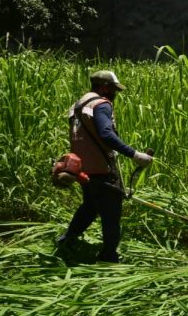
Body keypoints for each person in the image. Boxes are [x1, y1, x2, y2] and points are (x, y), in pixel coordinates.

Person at [56, 70, 153, 263]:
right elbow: (106, 134)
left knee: (90, 207)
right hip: (102, 170)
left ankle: (66, 240)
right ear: (104, 87)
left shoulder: (78, 105)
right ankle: (109, 257)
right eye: (113, 89)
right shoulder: (101, 105)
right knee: (111, 215)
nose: (115, 94)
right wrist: (135, 155)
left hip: (83, 168)